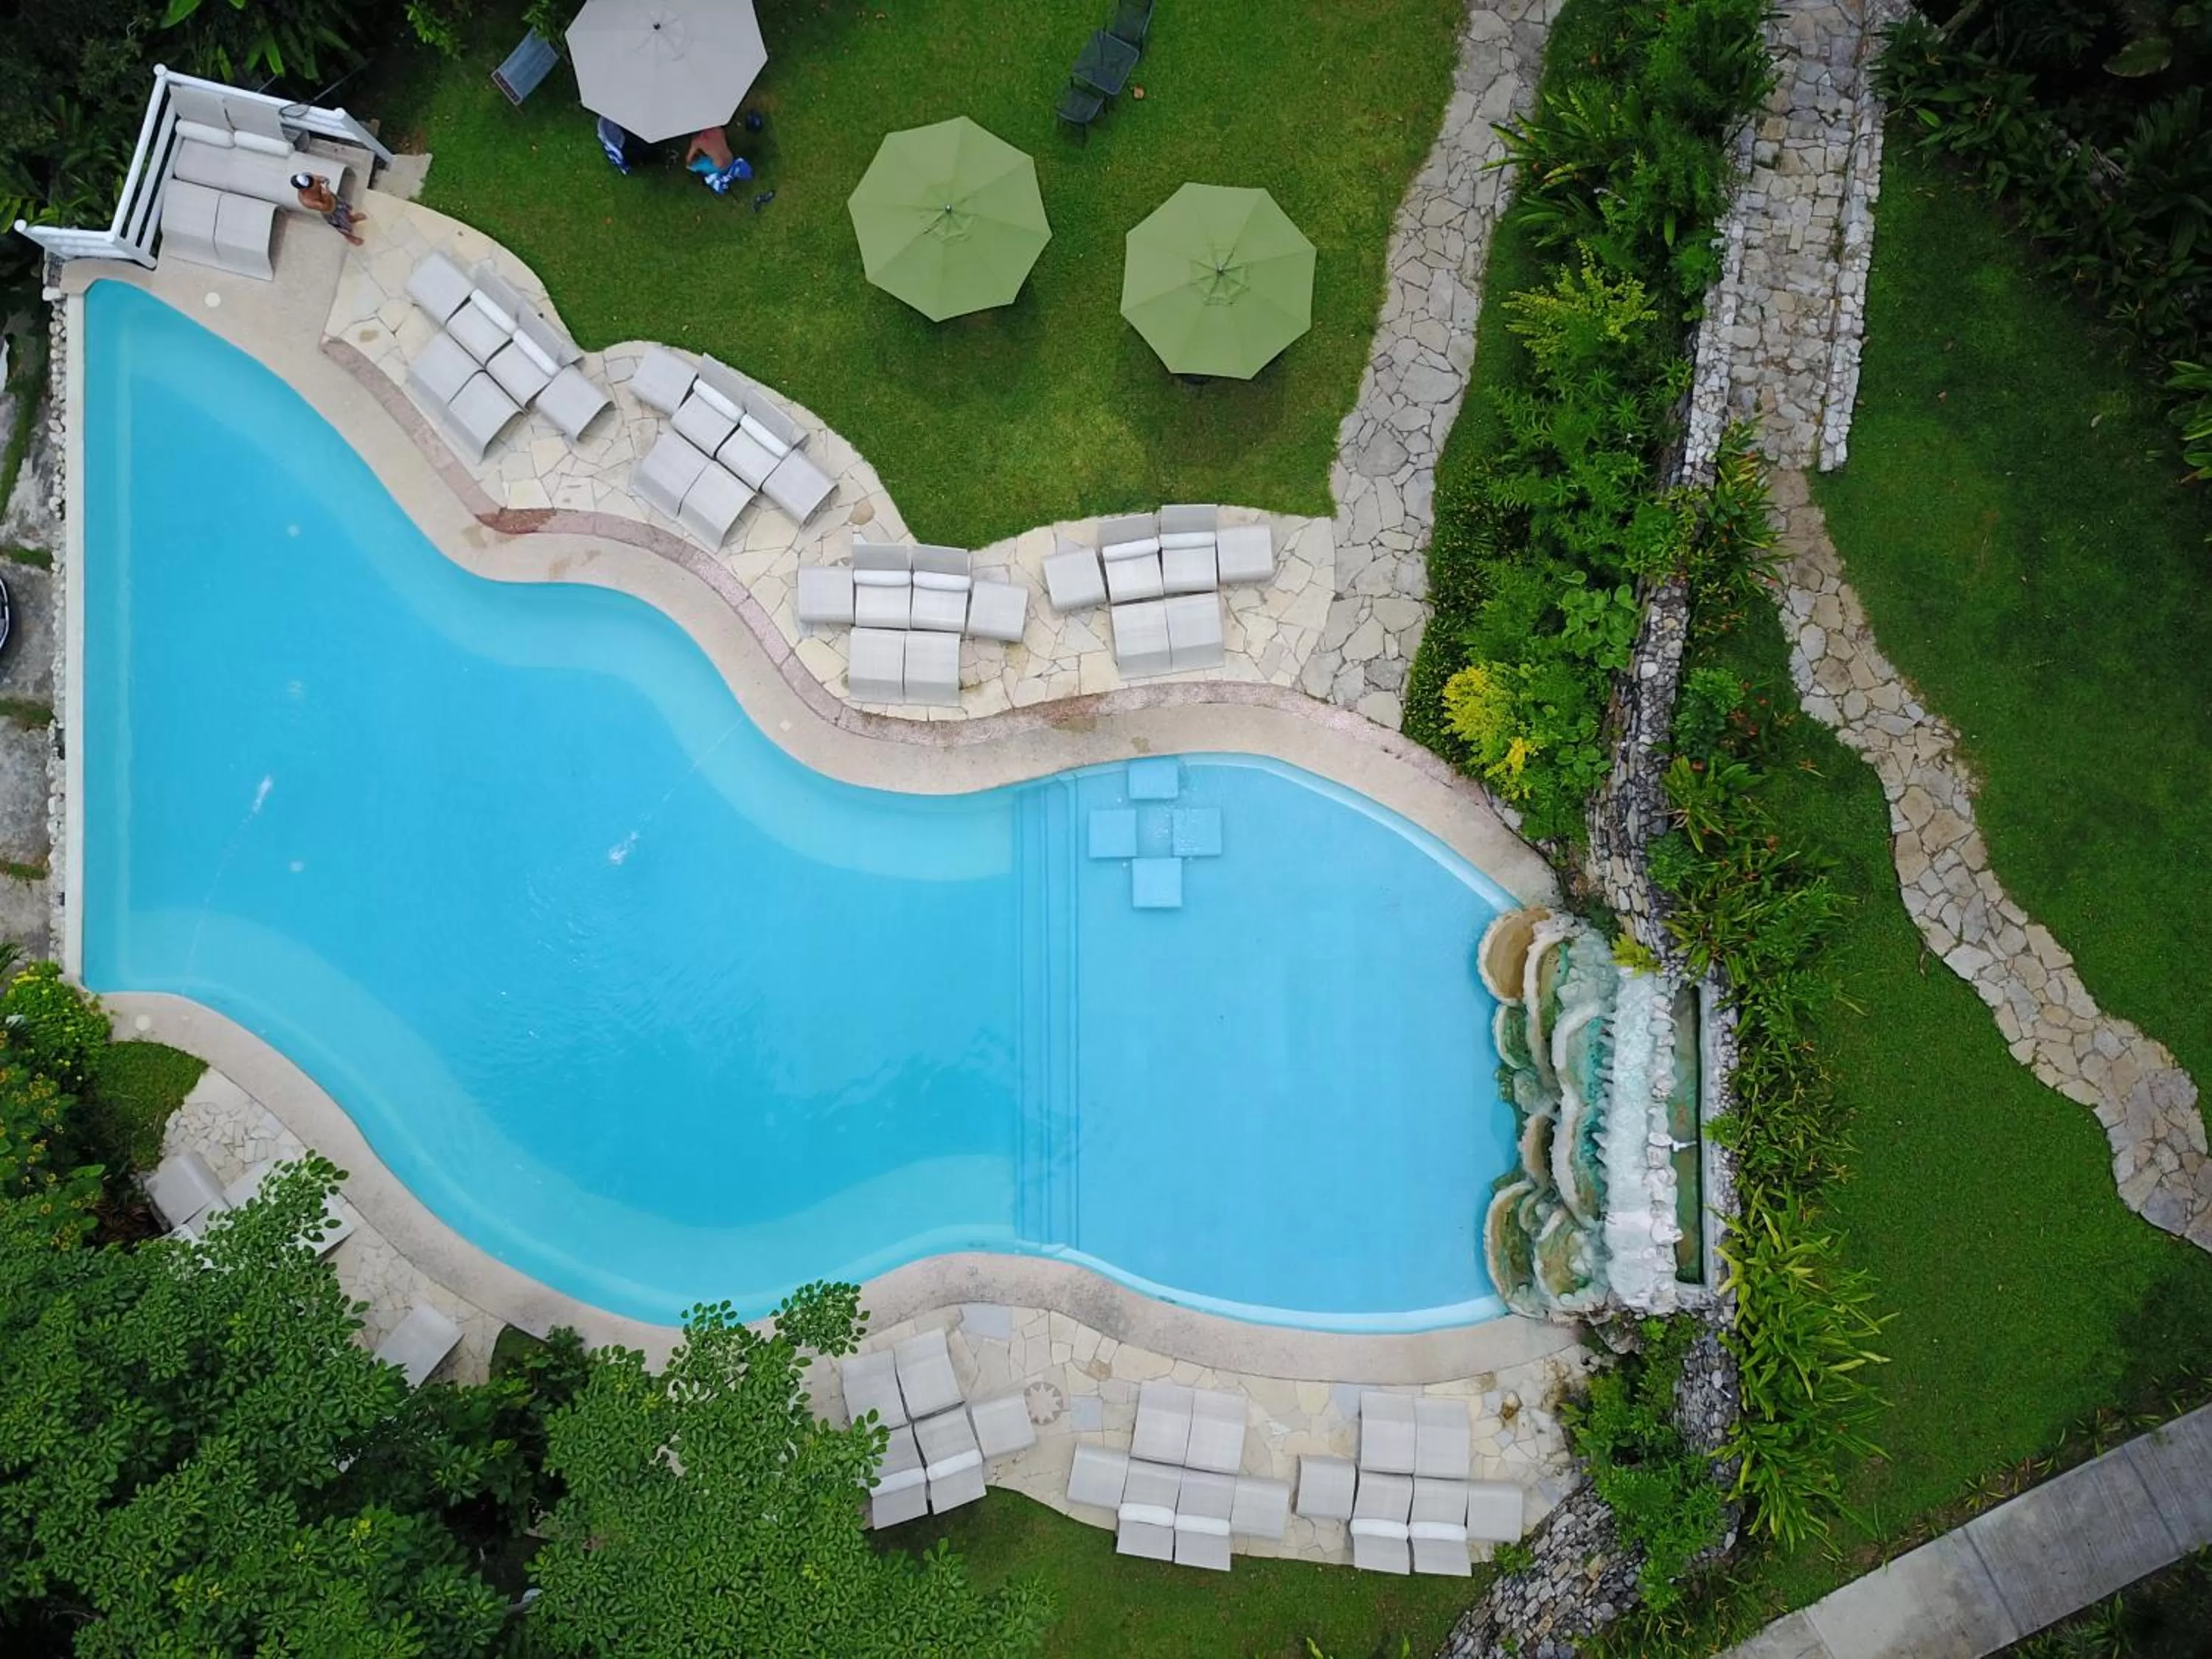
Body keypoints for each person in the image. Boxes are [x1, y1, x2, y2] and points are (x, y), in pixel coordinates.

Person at [291, 173, 366, 245]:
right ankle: (349, 237)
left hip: (334, 199)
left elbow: (323, 179)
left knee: (345, 210)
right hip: (331, 212)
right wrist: (326, 196)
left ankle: (351, 218)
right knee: (341, 226)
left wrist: (325, 182)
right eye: (309, 185)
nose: (312, 184)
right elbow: (324, 207)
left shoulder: (309, 176)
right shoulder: (306, 201)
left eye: (311, 181)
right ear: (302, 189)